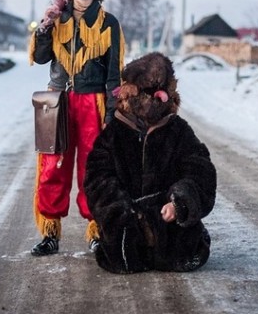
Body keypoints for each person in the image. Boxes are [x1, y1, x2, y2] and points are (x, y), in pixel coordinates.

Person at [84, 52, 217, 273]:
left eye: (162, 92)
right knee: (122, 257)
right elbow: (97, 179)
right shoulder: (113, 133)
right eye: (149, 92)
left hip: (171, 231)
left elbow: (200, 172)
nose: (157, 99)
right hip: (126, 233)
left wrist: (180, 202)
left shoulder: (179, 130)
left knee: (184, 254)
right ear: (131, 92)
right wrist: (121, 211)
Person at [28, 0, 125, 256]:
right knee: (52, 167)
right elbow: (42, 58)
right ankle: (49, 232)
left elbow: (114, 74)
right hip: (57, 100)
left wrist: (111, 111)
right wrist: (44, 29)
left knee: (93, 169)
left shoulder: (109, 23)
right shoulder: (56, 18)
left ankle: (96, 230)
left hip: (93, 102)